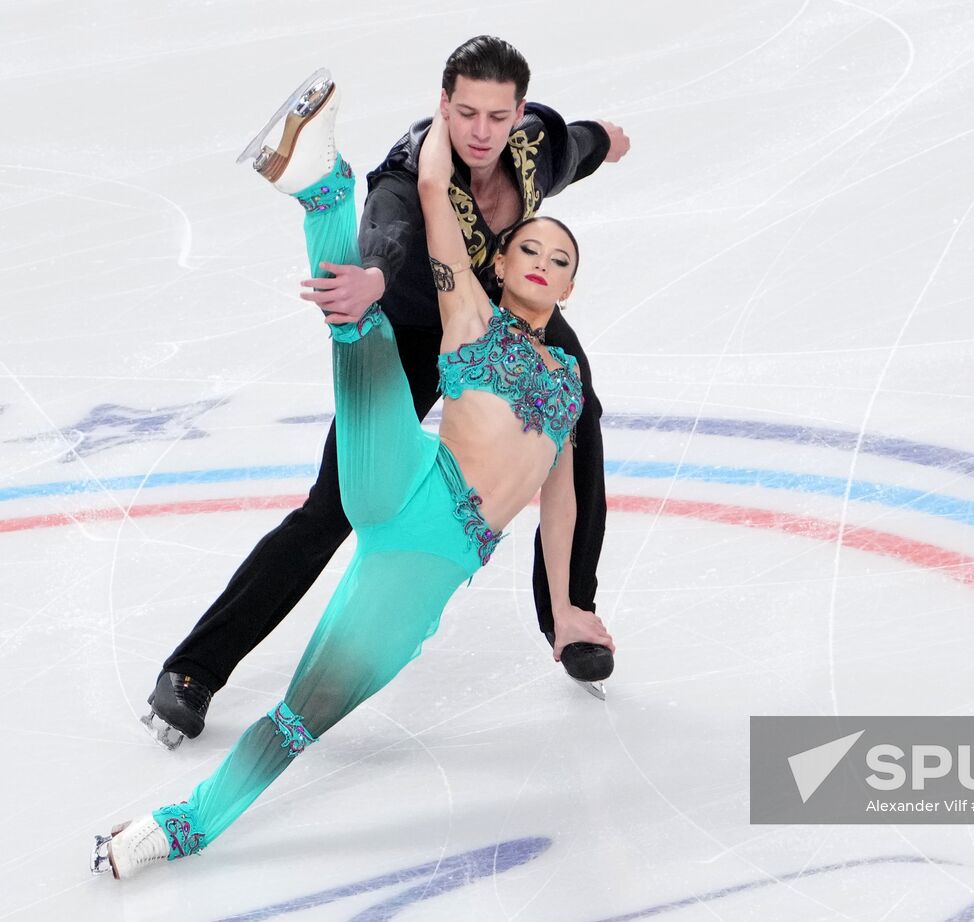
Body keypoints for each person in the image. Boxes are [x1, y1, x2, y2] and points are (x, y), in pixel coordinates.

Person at [95, 68, 614, 879]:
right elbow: (431, 195)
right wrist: (428, 145)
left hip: (434, 553)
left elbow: (565, 502)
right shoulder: (466, 308)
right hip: (407, 468)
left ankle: (182, 827)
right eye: (530, 250)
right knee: (358, 339)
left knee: (304, 714)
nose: (543, 261)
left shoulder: (570, 376)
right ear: (499, 263)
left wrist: (569, 606)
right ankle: (324, 192)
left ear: (574, 283)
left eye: (560, 257)